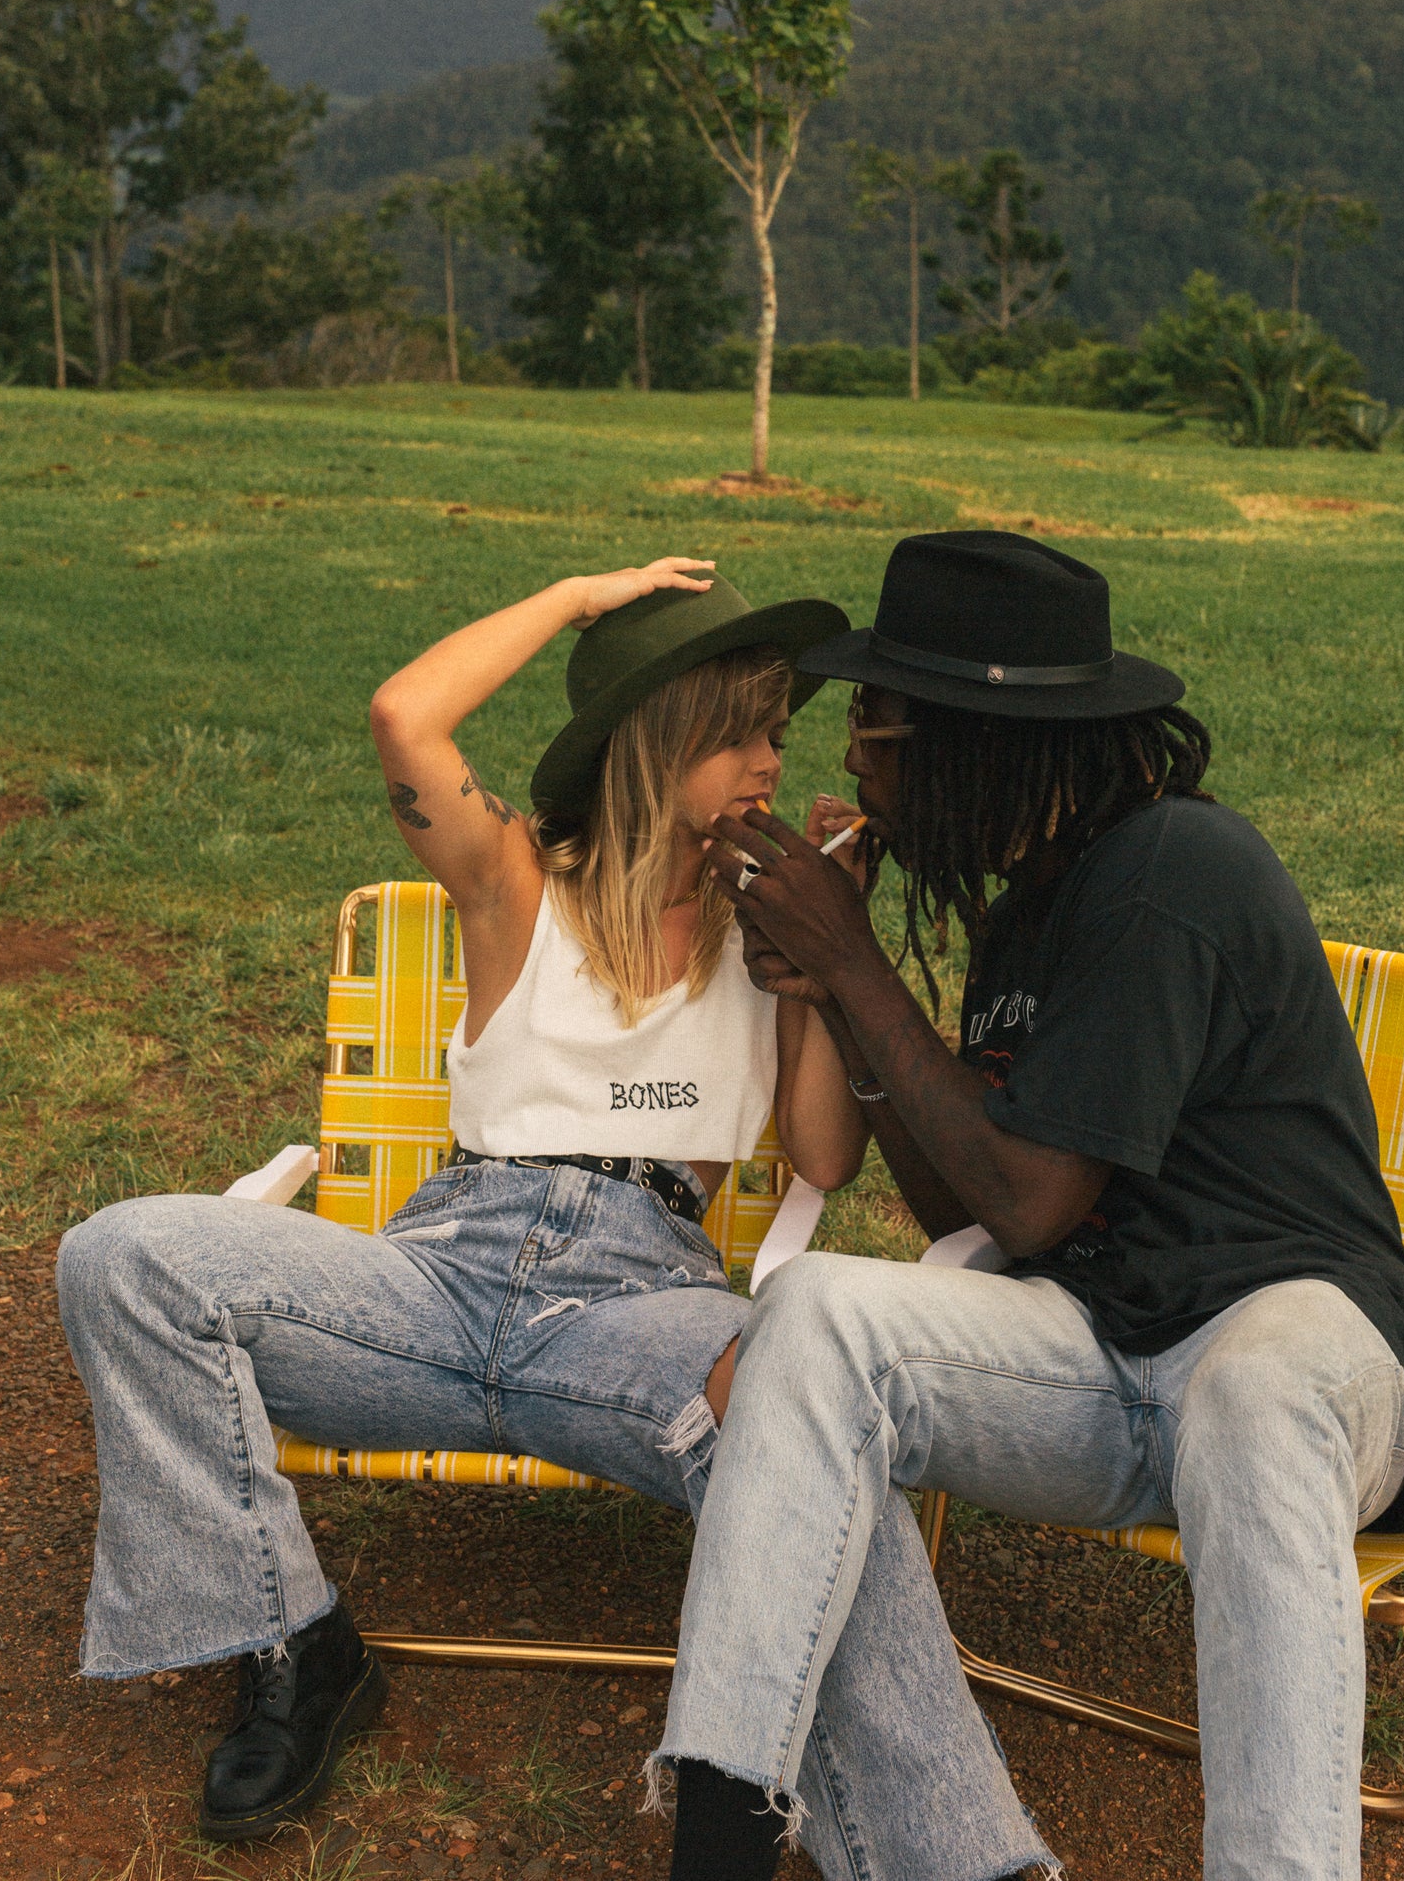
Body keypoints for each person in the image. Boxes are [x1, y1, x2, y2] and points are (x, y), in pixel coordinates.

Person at [655, 529, 1404, 1881]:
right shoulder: (1032, 899)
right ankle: (721, 1835)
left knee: (1251, 1390)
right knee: (817, 1307)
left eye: (882, 724)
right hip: (1107, 1360)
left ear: (982, 737)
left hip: (1306, 1359)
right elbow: (951, 1191)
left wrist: (858, 963)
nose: (851, 754)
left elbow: (1025, 1203)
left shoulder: (1168, 875)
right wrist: (837, 1002)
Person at [55, 556, 874, 1845]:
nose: (773, 760)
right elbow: (405, 720)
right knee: (123, 1256)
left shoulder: (766, 932)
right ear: (659, 743)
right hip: (432, 1279)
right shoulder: (512, 882)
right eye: (742, 734)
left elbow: (825, 1160)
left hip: (637, 1306)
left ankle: (766, 1781)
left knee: (816, 1412)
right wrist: (572, 599)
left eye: (779, 732)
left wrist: (834, 951)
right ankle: (296, 1648)